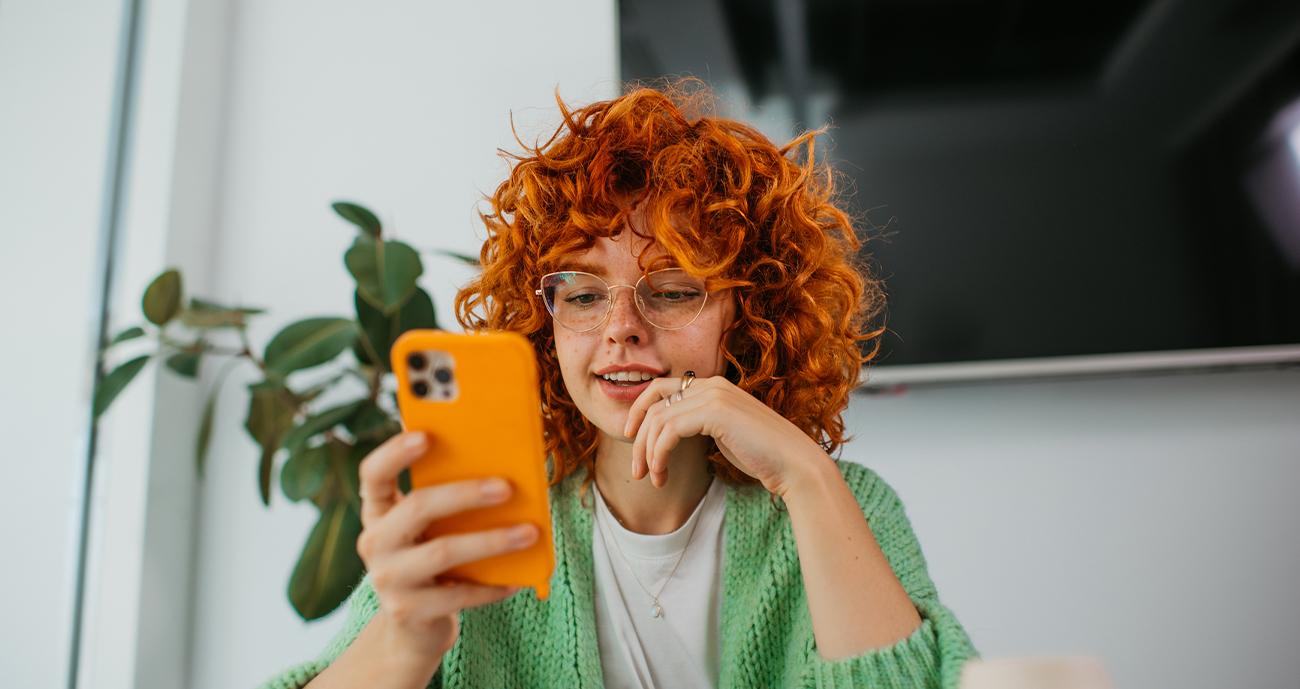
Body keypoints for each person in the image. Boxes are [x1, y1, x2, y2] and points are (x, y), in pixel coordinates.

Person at [259, 80, 979, 689]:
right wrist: (404, 641)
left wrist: (807, 474)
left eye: (670, 291)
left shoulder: (848, 507)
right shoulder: (470, 523)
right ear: (544, 323)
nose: (621, 328)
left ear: (750, 312)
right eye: (581, 293)